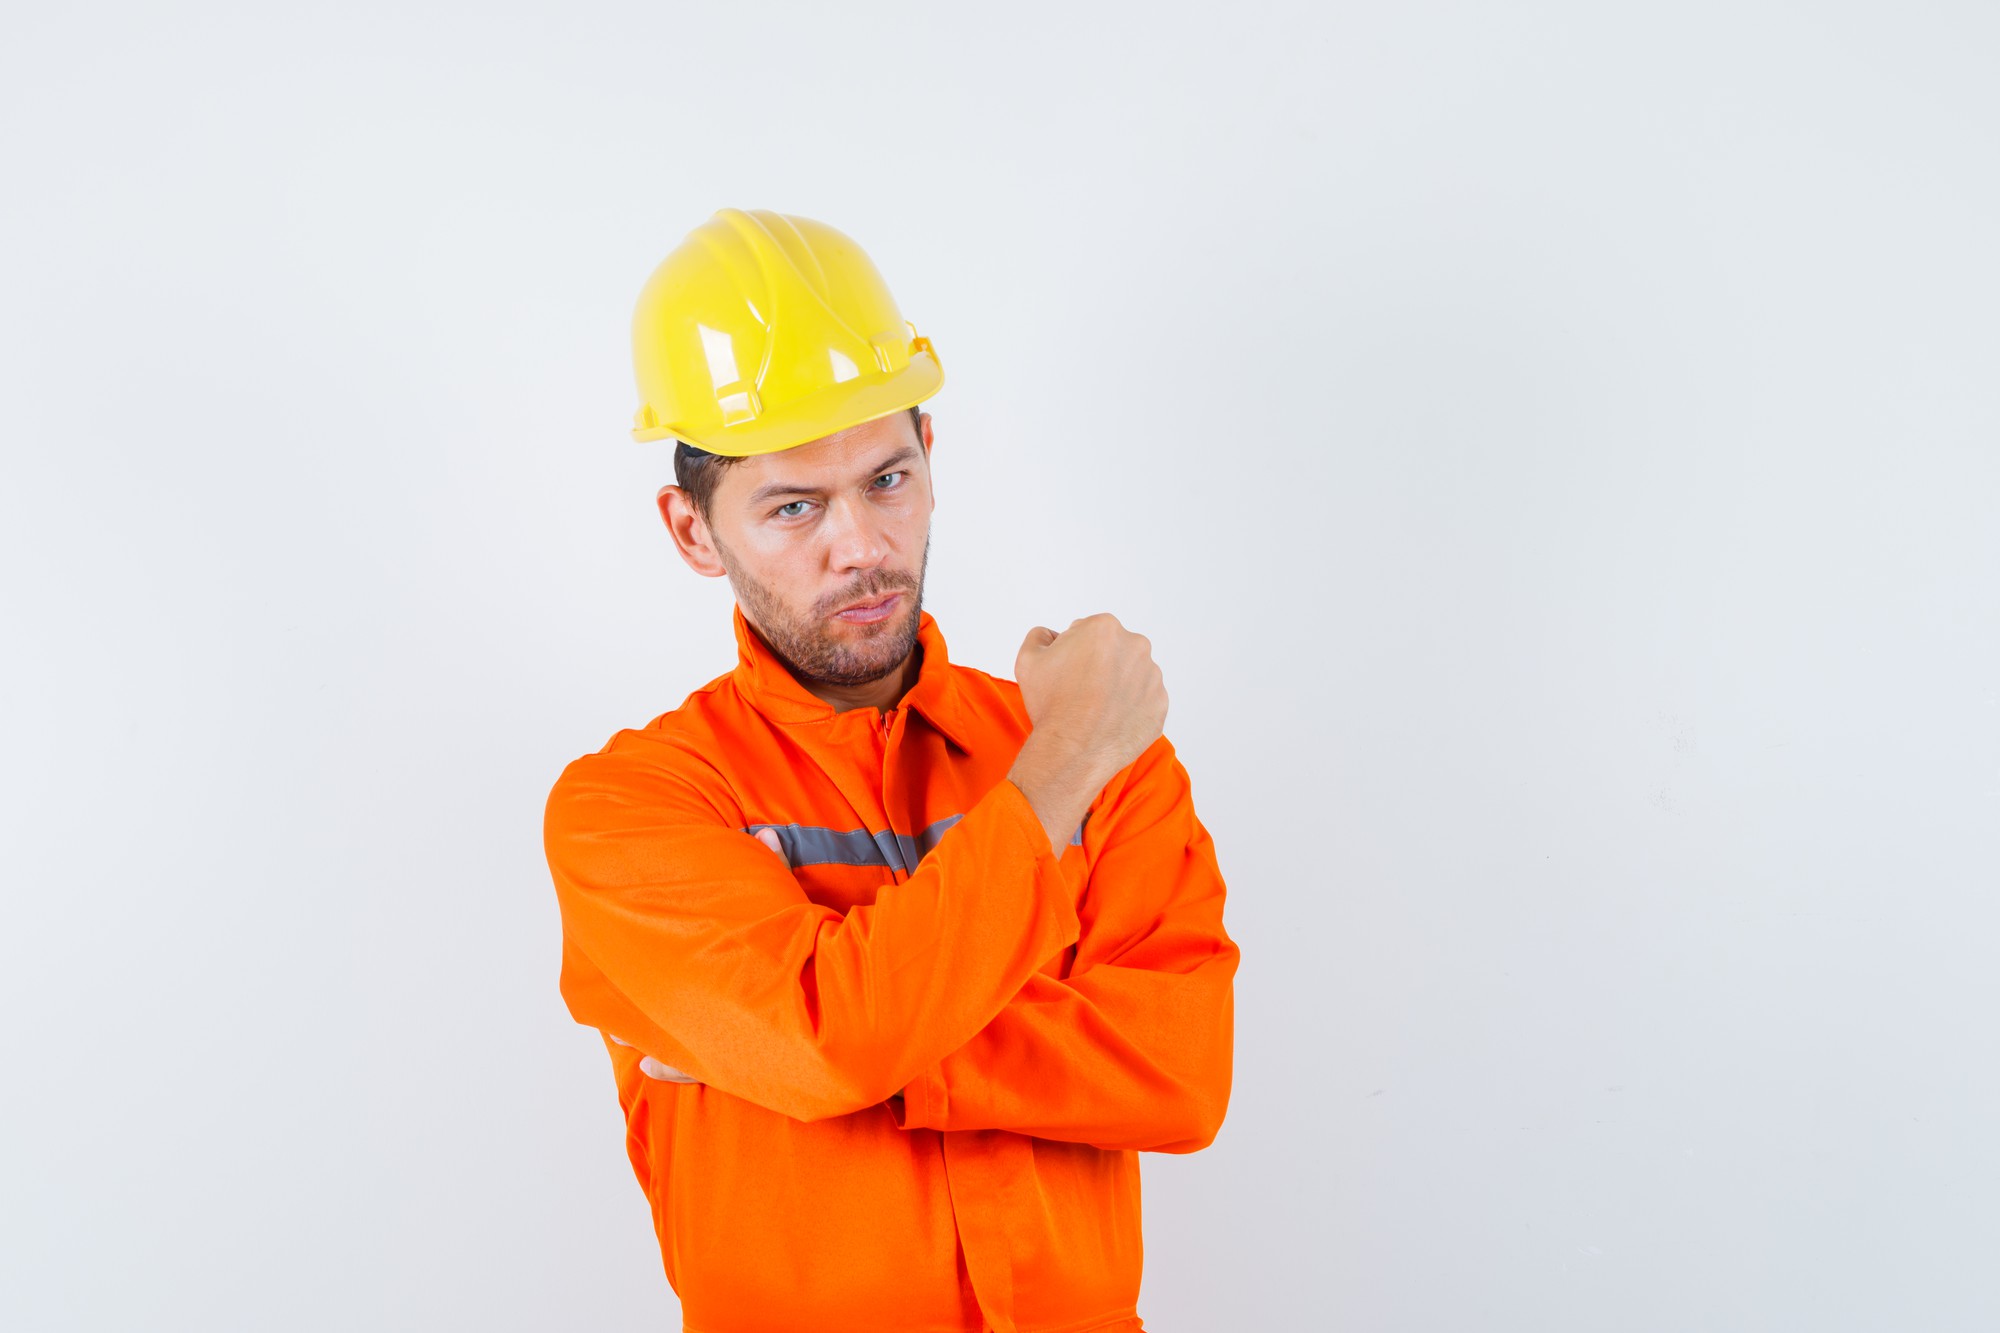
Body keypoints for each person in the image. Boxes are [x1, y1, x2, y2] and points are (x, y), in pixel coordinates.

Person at [542, 207, 1239, 1333]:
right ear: (691, 531)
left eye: (886, 479)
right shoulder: (630, 811)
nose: (860, 544)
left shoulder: (1109, 752)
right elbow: (830, 1041)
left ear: (929, 456)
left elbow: (1179, 1072)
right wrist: (1053, 776)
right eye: (793, 506)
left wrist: (818, 1047)